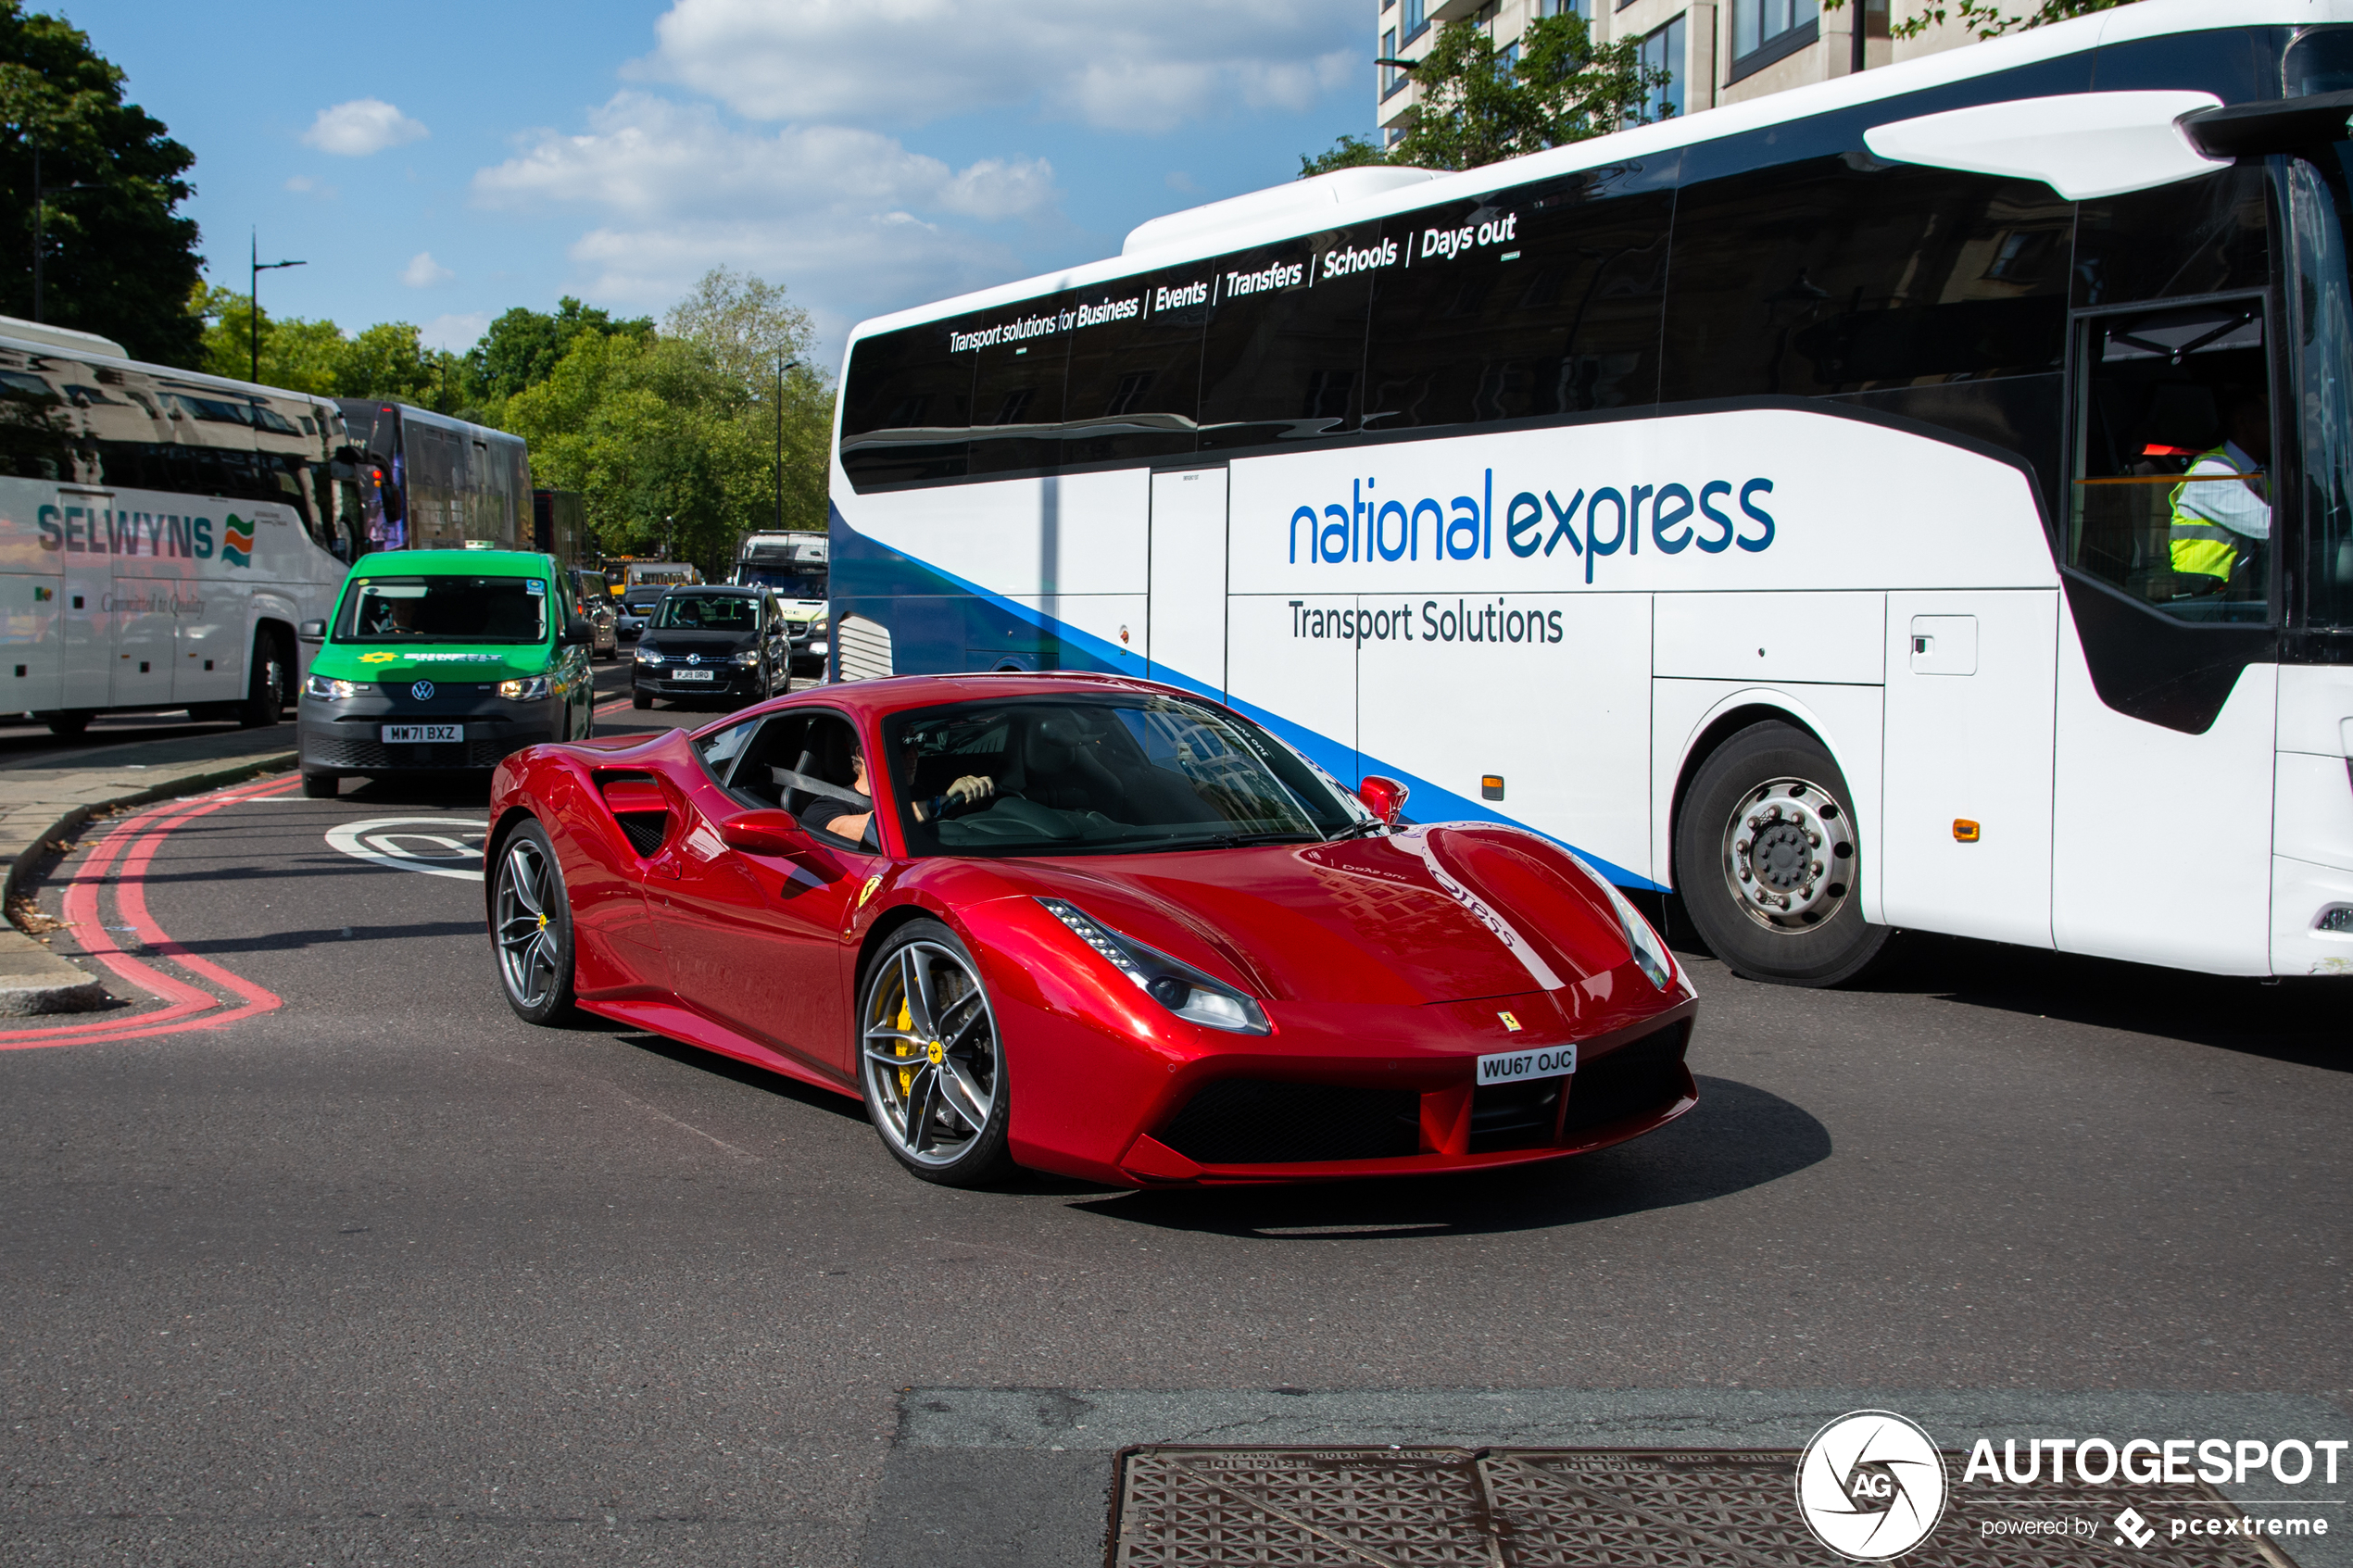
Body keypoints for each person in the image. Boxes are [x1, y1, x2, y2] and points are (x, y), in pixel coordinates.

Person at [796, 735, 995, 848]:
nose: (914, 754)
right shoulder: (825, 807)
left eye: (917, 743)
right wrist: (937, 804)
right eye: (903, 745)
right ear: (862, 753)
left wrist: (971, 794)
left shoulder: (920, 791)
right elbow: (862, 828)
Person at [2170, 388, 2271, 588]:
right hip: (2201, 599)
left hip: (2236, 596)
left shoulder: (2264, 474)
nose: (2279, 429)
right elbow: (2267, 525)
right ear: (2242, 423)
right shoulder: (2211, 471)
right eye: (2269, 420)